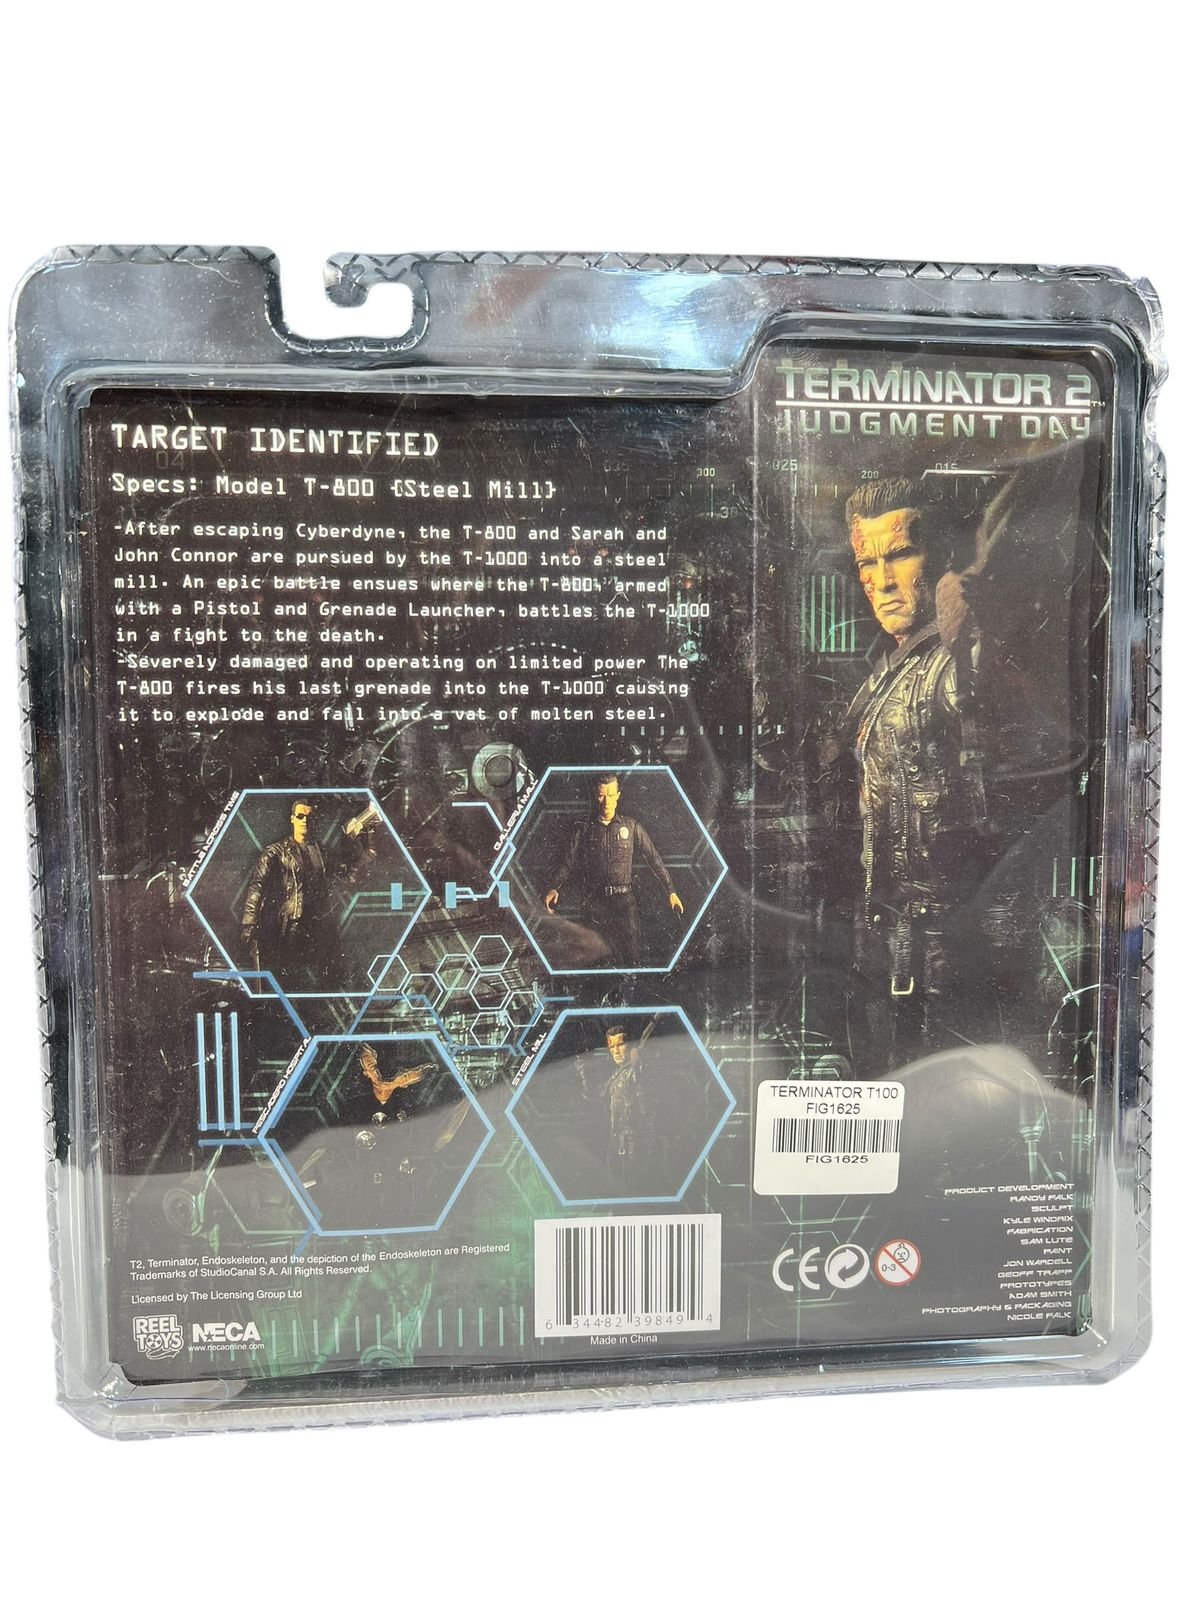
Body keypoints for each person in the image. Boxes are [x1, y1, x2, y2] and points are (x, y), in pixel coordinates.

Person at [840, 479, 994, 1061]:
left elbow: (977, 684)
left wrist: (970, 624)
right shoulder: (886, 670)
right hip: (885, 935)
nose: (881, 580)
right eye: (867, 562)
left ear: (939, 559)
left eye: (901, 555)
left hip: (940, 946)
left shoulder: (948, 664)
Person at [543, 774, 683, 967]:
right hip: (595, 904)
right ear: (596, 796)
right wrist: (554, 887)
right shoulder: (584, 829)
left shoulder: (631, 826)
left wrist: (671, 891)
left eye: (611, 795)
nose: (606, 801)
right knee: (595, 959)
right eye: (602, 795)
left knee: (632, 959)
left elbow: (654, 859)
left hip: (625, 903)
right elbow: (567, 862)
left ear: (618, 795)